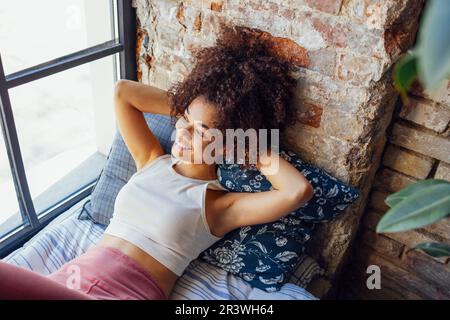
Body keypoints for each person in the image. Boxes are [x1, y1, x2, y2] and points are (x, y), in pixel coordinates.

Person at [0, 22, 314, 300]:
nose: (183, 131)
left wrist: (244, 141)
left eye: (202, 130)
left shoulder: (219, 206)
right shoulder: (151, 160)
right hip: (67, 282)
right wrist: (185, 104)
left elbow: (296, 191)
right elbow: (123, 93)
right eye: (183, 118)